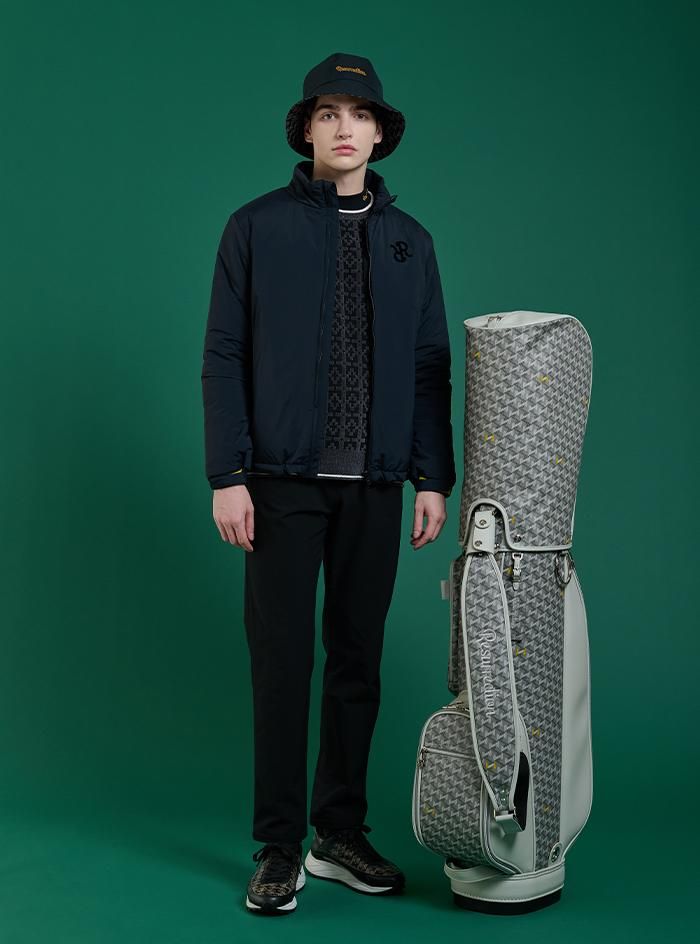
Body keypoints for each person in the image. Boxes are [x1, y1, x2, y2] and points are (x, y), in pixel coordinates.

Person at [201, 51, 456, 916]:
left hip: (376, 485)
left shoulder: (410, 241)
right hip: (279, 483)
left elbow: (429, 365)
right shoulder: (255, 227)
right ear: (305, 130)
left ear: (381, 134)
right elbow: (224, 354)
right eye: (328, 113)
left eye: (360, 114)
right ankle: (279, 848)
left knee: (358, 661)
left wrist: (431, 475)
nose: (345, 128)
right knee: (281, 664)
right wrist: (228, 473)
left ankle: (338, 833)